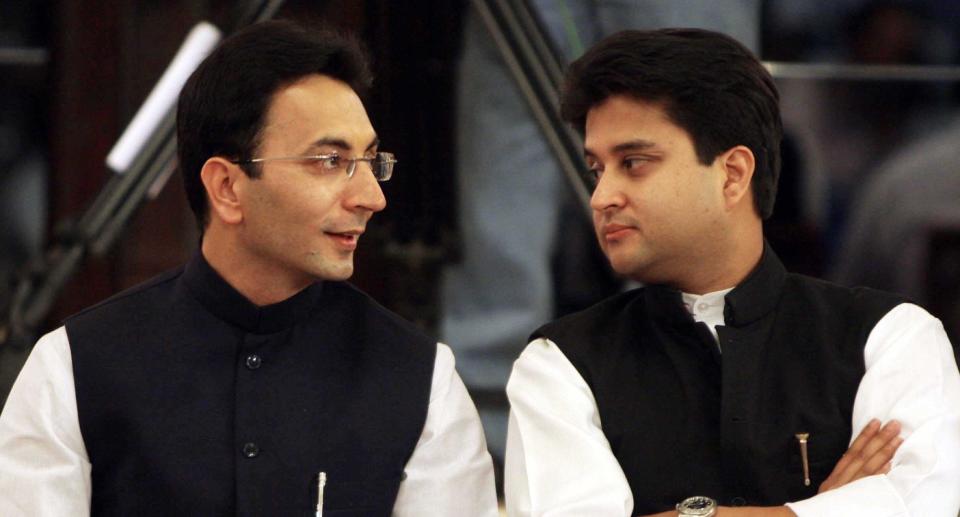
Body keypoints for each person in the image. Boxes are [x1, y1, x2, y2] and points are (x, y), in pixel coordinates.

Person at [0, 20, 497, 516]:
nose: (372, 197)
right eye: (329, 160)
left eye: (371, 160)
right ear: (227, 187)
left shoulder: (420, 380)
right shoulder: (75, 367)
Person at [504, 28, 960, 516]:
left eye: (633, 163)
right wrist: (817, 510)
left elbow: (928, 505)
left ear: (733, 173)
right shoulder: (559, 363)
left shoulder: (889, 337)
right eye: (598, 169)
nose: (601, 197)